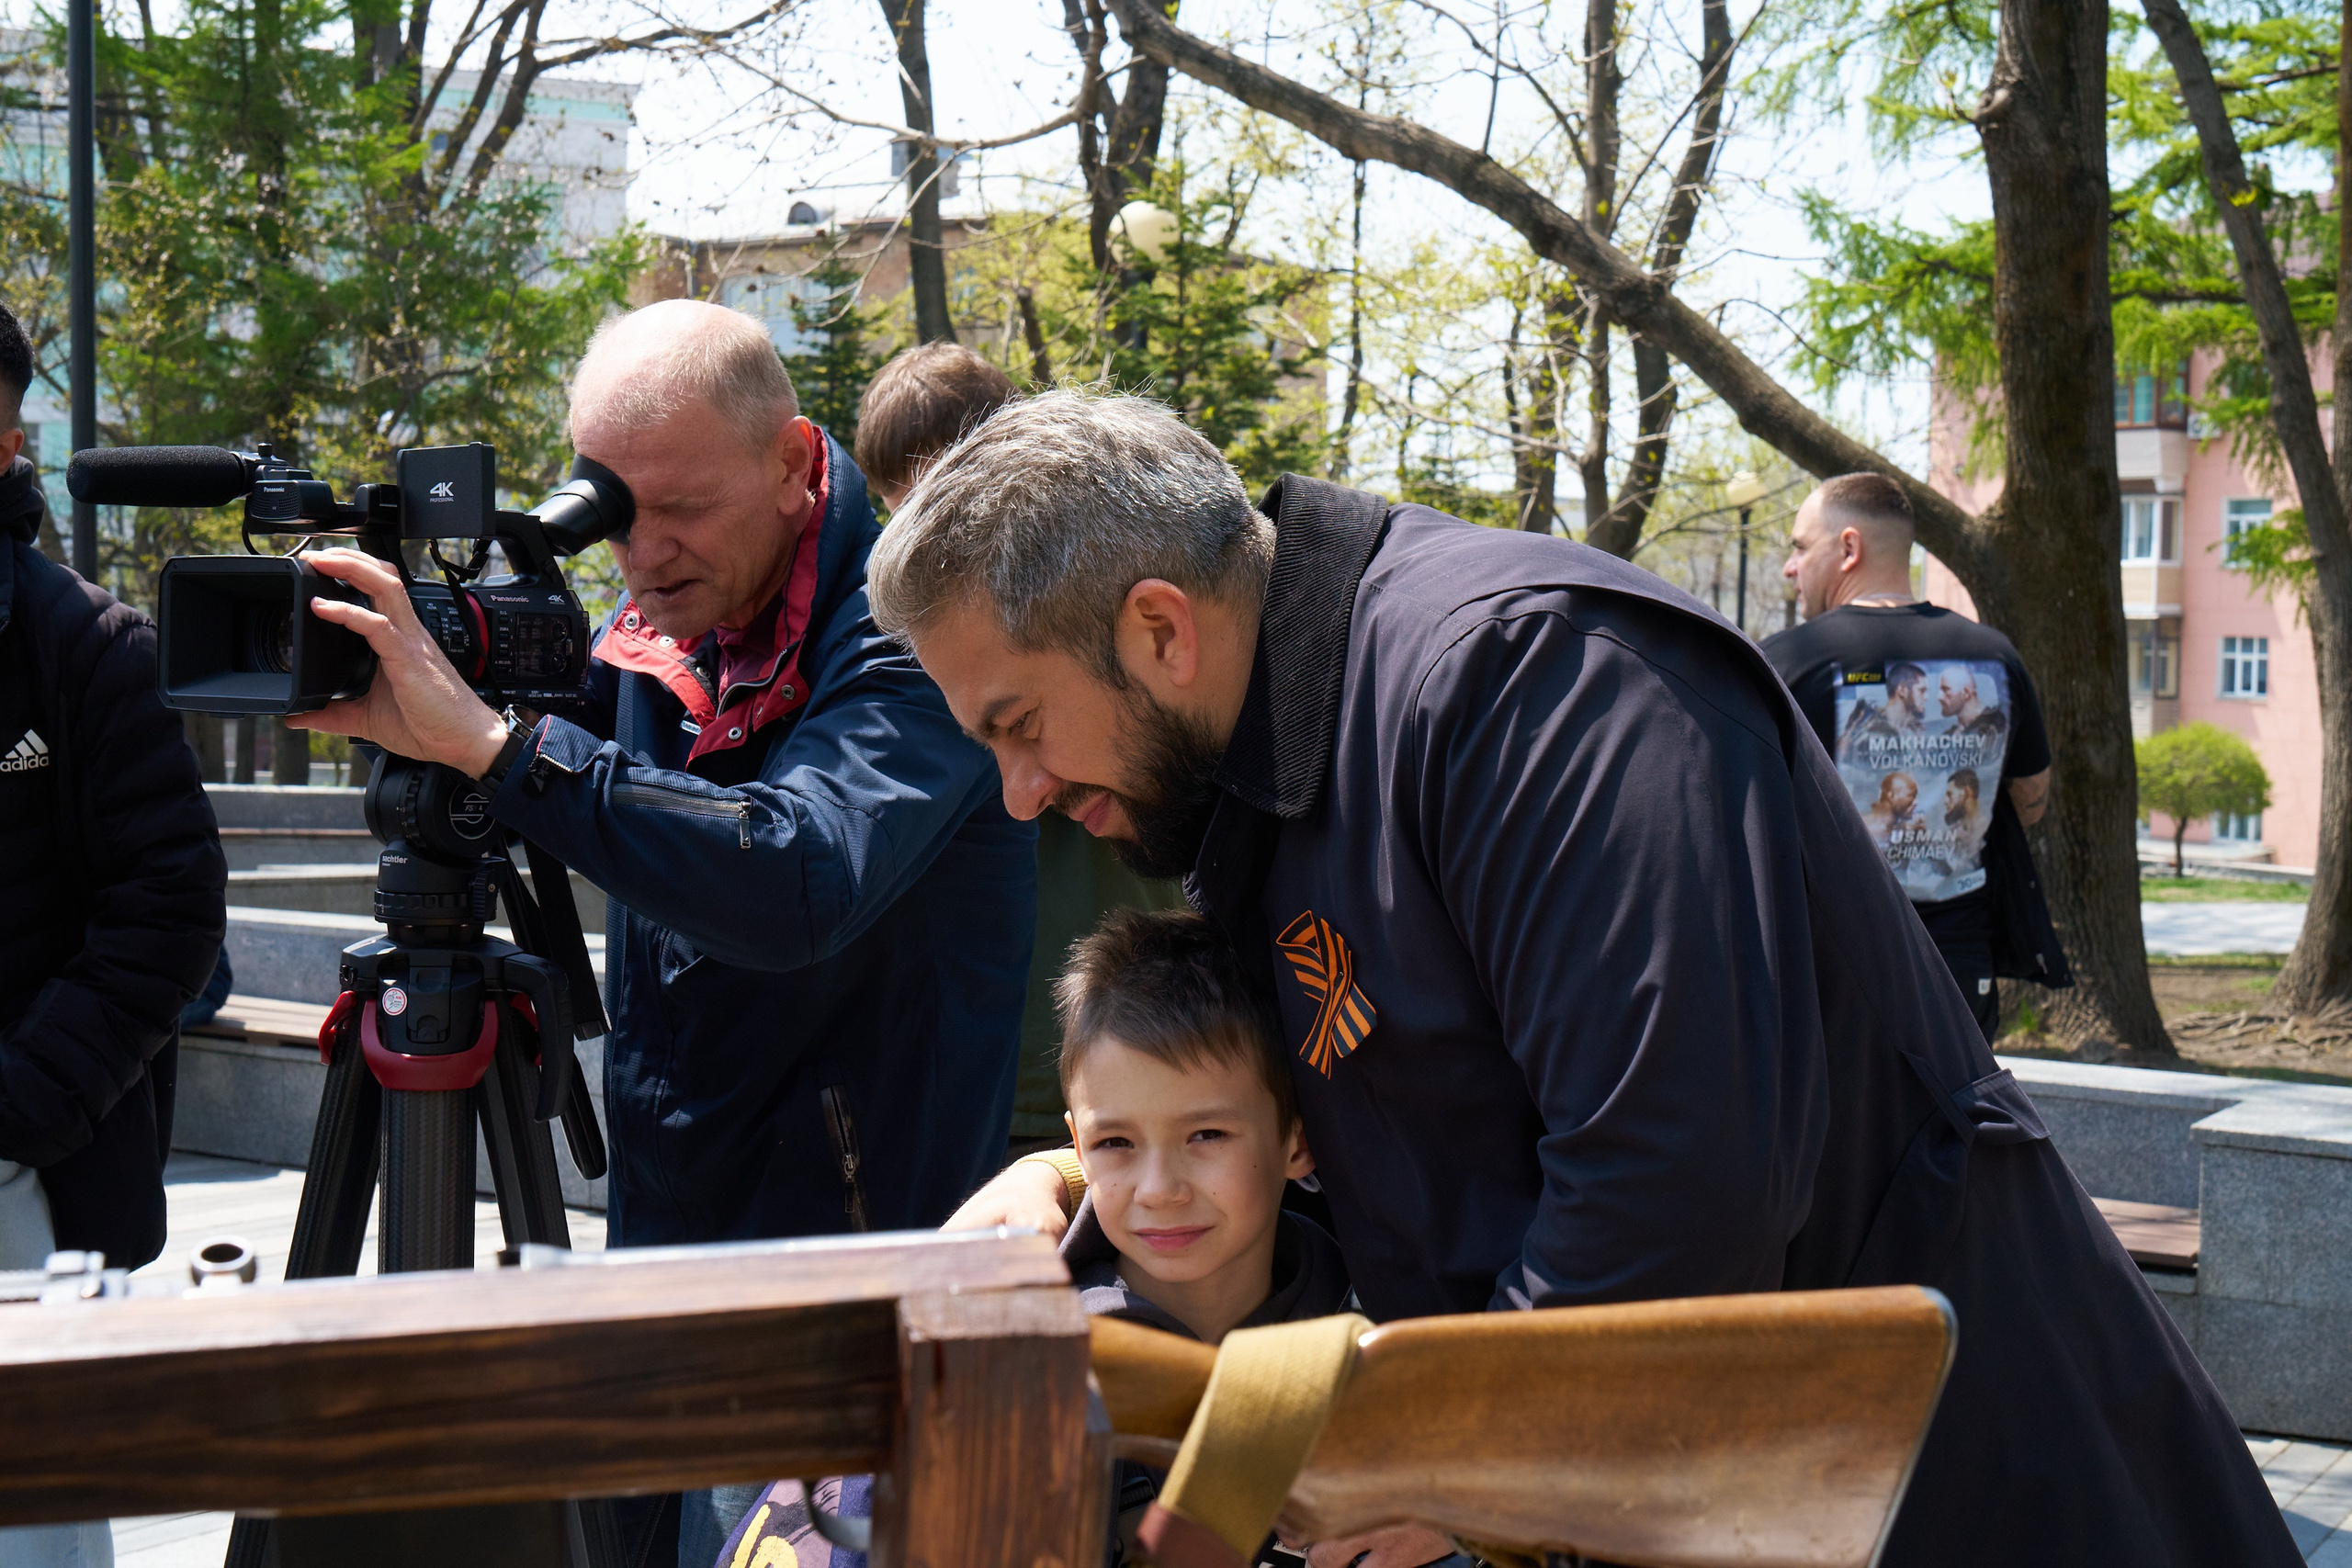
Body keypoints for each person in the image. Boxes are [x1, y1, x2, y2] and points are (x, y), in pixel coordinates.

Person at [867, 391, 2297, 1568]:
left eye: (1019, 721)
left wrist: (1453, 1455)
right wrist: (1062, 1186)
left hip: (1963, 1487)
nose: (1016, 790)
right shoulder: (1264, 778)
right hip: (1701, 1493)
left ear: (1160, 628)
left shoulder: (1531, 676)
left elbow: (1680, 1167)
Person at [288, 299, 1035, 1568]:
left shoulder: (923, 623)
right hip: (664, 1247)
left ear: (799, 464)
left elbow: (797, 872)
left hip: (847, 1284)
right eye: (613, 506)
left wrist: (496, 744)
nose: (644, 549)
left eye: (682, 506)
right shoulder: (662, 619)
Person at [710, 908, 1374, 1568]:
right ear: (1077, 1144)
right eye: (1116, 1143)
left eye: (1207, 1135)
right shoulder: (1012, 1362)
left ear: (1298, 1137)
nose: (1159, 1188)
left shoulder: (1362, 1318)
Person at [0, 301, 228, 1567]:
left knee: (35, 1533)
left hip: (23, 1172)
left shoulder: (83, 643)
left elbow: (173, 906)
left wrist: (19, 1104)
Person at [854, 343, 1182, 1157]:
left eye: (939, 500)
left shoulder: (1054, 606)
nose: (918, 534)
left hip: (1118, 1021)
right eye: (898, 508)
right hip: (1004, 1051)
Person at [1763, 471, 2069, 1040]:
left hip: (1827, 961)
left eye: (1801, 547)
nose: (1791, 566)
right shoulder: (1995, 657)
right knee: (1956, 1122)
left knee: (1834, 1126)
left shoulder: (1786, 663)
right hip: (1957, 960)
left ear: (1849, 547)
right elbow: (2030, 798)